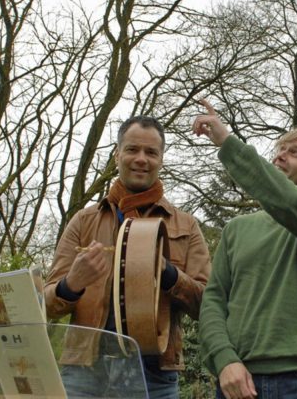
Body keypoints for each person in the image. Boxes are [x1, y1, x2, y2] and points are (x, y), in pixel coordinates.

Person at [44, 115, 211, 398]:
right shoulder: (83, 221)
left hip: (154, 374)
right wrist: (71, 284)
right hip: (85, 373)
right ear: (117, 155)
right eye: (132, 149)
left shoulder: (185, 225)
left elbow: (207, 304)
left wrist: (169, 274)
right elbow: (45, 305)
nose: (141, 159)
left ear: (161, 160)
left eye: (151, 152)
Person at [193, 99, 297, 399]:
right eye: (280, 149)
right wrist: (224, 360)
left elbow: (287, 200)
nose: (280, 156)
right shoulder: (236, 229)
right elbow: (213, 301)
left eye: (294, 152)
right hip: (238, 383)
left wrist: (227, 143)